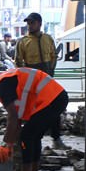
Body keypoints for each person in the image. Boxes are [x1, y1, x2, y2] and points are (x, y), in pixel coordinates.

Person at [0, 67, 69, 171]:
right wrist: (10, 143)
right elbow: (17, 118)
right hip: (57, 97)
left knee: (26, 136)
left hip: (51, 99)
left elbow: (12, 116)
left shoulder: (1, 84)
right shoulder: (5, 80)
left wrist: (5, 144)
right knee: (34, 135)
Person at [15, 13, 68, 150]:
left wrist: (50, 72)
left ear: (39, 23)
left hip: (48, 81)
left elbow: (54, 56)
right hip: (32, 83)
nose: (29, 25)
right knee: (33, 111)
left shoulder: (48, 39)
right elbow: (18, 63)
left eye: (32, 23)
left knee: (54, 108)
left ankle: (56, 139)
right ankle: (30, 141)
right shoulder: (23, 41)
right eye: (28, 23)